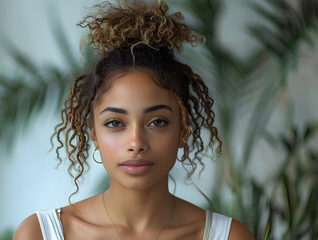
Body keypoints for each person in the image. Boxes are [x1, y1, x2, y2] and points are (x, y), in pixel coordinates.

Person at [14, 0, 255, 239]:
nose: (136, 142)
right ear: (94, 133)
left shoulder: (229, 236)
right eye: (115, 123)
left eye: (157, 121)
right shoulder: (39, 233)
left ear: (183, 129)